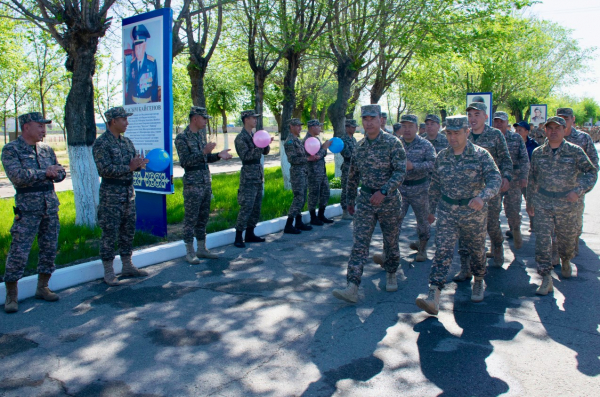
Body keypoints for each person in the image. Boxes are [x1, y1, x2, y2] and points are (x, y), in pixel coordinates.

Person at [415, 116, 501, 315]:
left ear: (466, 132)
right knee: (442, 250)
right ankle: (433, 294)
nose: (452, 138)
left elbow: (495, 179)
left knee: (477, 250)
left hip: (474, 212)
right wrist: (431, 210)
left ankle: (478, 279)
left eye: (456, 133)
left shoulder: (481, 155)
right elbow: (435, 185)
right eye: (449, 133)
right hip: (448, 212)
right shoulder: (442, 157)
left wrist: (482, 197)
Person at [332, 105, 406, 303]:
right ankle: (352, 286)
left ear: (380, 119)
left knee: (390, 241)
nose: (368, 122)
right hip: (365, 202)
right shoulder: (360, 146)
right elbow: (353, 175)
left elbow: (400, 172)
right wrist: (349, 200)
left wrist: (384, 191)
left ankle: (391, 271)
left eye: (372, 118)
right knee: (360, 243)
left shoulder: (393, 143)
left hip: (388, 201)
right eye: (365, 119)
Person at [1, 112, 66, 313]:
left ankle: (43, 287)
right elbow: (18, 176)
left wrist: (56, 173)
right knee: (19, 251)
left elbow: (60, 171)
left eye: (45, 126)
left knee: (49, 249)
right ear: (26, 127)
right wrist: (45, 173)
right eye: (40, 126)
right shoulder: (11, 150)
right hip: (28, 209)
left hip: (50, 206)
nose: (44, 130)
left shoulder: (46, 149)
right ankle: (11, 295)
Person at [526, 117, 597, 295]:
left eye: (557, 128)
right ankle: (546, 277)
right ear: (545, 131)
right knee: (542, 241)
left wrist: (578, 190)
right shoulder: (538, 153)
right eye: (550, 128)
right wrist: (529, 201)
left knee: (566, 240)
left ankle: (566, 259)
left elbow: (591, 172)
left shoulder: (575, 151)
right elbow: (532, 178)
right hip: (543, 202)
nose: (553, 131)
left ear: (564, 130)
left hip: (566, 204)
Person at [454, 102, 512, 281]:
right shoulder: (464, 134)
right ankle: (465, 267)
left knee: (491, 224)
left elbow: (505, 160)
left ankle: (497, 244)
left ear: (485, 117)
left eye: (476, 114)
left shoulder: (495, 135)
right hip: (467, 192)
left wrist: (506, 177)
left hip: (489, 191)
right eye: (470, 115)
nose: (472, 118)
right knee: (463, 230)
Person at [93, 107, 150, 286]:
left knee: (127, 231)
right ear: (112, 121)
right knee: (109, 233)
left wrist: (140, 165)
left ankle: (127, 265)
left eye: (126, 119)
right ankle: (109, 271)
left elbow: (133, 164)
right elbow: (104, 170)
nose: (127, 122)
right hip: (111, 195)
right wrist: (130, 168)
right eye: (123, 119)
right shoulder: (102, 144)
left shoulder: (127, 143)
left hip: (128, 194)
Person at [374, 114, 435, 264]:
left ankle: (422, 248)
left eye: (410, 126)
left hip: (420, 189)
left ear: (416, 127)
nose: (407, 129)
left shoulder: (425, 145)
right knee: (393, 221)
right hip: (400, 189)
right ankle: (388, 252)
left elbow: (434, 164)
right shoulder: (396, 143)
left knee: (423, 222)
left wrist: (414, 166)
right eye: (404, 126)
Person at [175, 107, 232, 263]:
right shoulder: (182, 138)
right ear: (195, 118)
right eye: (204, 118)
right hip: (193, 184)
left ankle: (201, 249)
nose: (206, 121)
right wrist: (203, 152)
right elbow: (185, 161)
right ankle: (189, 251)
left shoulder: (200, 136)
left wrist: (218, 155)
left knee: (203, 217)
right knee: (191, 218)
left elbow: (204, 159)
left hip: (205, 182)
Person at [556, 108, 599, 256]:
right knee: (554, 220)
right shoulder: (552, 136)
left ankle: (573, 239)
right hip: (554, 187)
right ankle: (557, 251)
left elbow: (593, 164)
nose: (563, 121)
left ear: (573, 119)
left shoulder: (583, 138)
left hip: (576, 187)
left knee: (574, 219)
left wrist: (582, 186)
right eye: (560, 118)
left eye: (566, 118)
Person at [233, 110, 272, 248]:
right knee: (247, 206)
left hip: (258, 175)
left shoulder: (256, 135)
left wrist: (266, 143)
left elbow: (265, 152)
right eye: (252, 118)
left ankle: (250, 233)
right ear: (245, 120)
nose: (255, 120)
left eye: (256, 118)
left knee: (256, 207)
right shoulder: (240, 138)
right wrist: (259, 146)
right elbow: (246, 156)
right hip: (248, 176)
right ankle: (238, 236)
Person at [492, 112, 529, 249]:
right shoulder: (491, 138)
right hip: (494, 179)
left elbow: (524, 159)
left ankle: (516, 229)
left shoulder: (515, 138)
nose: (499, 124)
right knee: (493, 211)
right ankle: (495, 244)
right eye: (496, 121)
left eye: (501, 121)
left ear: (507, 122)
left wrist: (524, 176)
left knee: (513, 209)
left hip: (513, 179)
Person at [283, 118, 313, 233]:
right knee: (298, 198)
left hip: (303, 171)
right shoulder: (290, 141)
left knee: (303, 197)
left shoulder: (297, 140)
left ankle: (299, 222)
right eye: (297, 126)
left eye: (301, 125)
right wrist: (307, 158)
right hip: (297, 172)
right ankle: (289, 225)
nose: (300, 128)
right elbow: (292, 159)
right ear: (291, 126)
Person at [303, 120, 333, 226]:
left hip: (321, 171)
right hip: (313, 172)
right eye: (318, 126)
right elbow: (316, 157)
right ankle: (313, 217)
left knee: (325, 192)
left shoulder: (315, 139)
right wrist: (324, 148)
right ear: (312, 127)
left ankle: (321, 215)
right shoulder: (307, 140)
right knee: (314, 194)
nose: (320, 128)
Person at [514, 120, 539, 232]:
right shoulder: (511, 142)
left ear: (527, 132)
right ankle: (514, 227)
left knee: (531, 200)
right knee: (514, 203)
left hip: (529, 177)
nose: (517, 132)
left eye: (520, 130)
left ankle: (533, 224)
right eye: (516, 130)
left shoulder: (533, 145)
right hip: (515, 177)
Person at [126, 24, 159, 105]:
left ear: (145, 46)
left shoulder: (151, 62)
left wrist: (154, 106)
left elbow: (154, 87)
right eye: (136, 47)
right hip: (133, 103)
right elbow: (130, 86)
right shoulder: (132, 63)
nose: (138, 50)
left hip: (147, 104)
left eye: (140, 47)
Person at [340, 119, 358, 220]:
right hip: (347, 167)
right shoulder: (343, 140)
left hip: (355, 167)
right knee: (346, 189)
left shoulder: (354, 139)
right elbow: (346, 154)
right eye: (352, 127)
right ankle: (345, 211)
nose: (354, 128)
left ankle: (352, 208)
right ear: (347, 127)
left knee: (353, 189)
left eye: (355, 127)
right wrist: (357, 156)